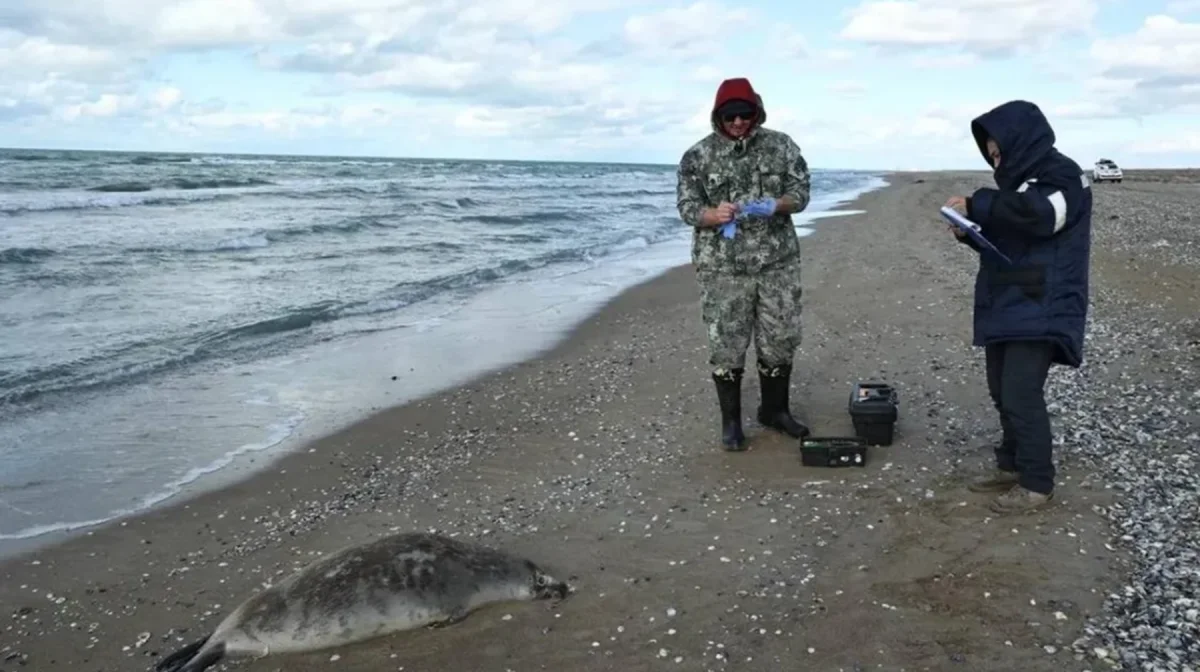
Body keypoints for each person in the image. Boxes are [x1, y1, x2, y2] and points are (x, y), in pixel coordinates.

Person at [943, 99, 1092, 514]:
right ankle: (1011, 466)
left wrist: (979, 204)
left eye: (999, 150)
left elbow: (1043, 216)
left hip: (1044, 304)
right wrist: (969, 232)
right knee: (1000, 390)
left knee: (1021, 393)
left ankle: (1036, 484)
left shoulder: (1065, 176)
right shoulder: (1019, 186)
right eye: (991, 154)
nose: (997, 159)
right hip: (1009, 301)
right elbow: (1009, 237)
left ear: (1022, 140)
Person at [675, 77, 812, 451]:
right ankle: (731, 423)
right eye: (730, 116)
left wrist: (777, 204)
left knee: (780, 337)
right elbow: (686, 208)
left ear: (757, 111)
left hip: (777, 262)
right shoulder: (697, 157)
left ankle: (775, 411)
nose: (738, 123)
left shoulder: (781, 146)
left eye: (745, 114)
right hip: (723, 268)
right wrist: (711, 214)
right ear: (718, 116)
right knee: (727, 342)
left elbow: (801, 192)